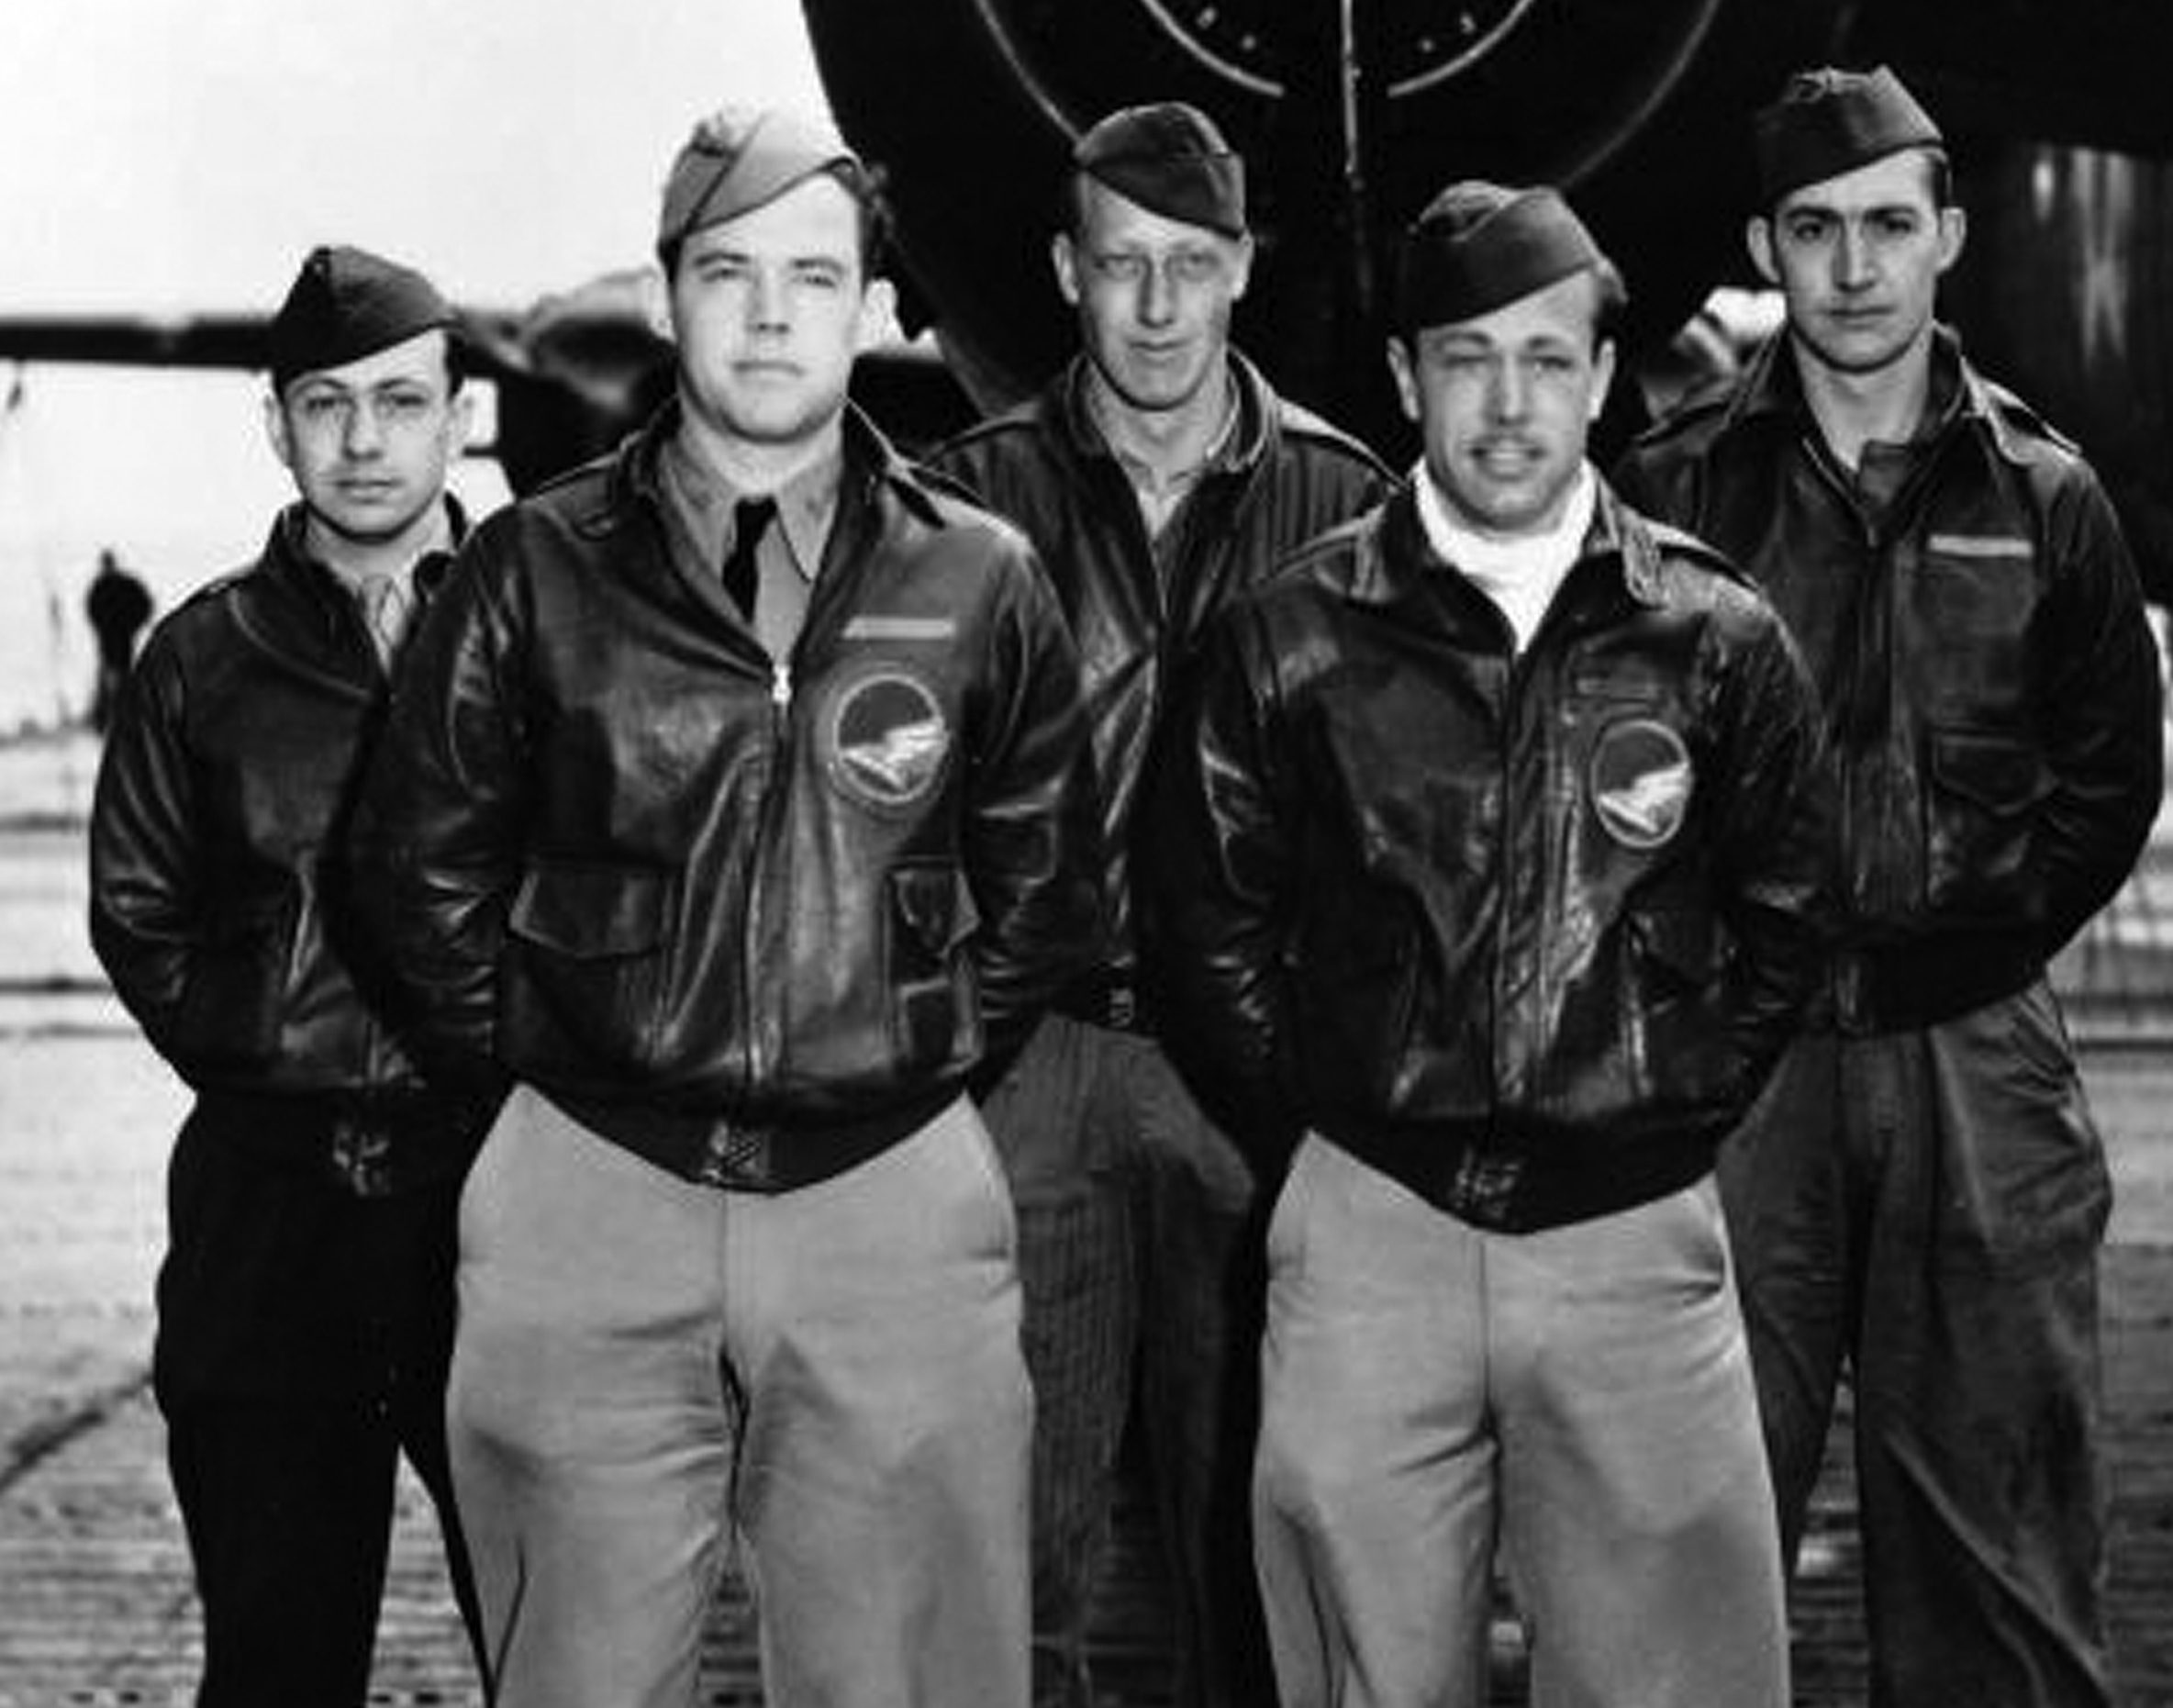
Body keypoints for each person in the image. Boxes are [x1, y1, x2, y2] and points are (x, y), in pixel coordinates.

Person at [348, 106, 1098, 1708]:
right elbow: (413, 872)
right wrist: (565, 1064)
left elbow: (1044, 885)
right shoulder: (529, 573)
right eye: (730, 272)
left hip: (887, 1188)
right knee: (577, 1679)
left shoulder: (983, 579)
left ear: (873, 307)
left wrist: (903, 1047)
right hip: (588, 1198)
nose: (771, 314)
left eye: (814, 277)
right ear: (668, 288)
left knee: (918, 1679)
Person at [1145, 180, 1832, 1708]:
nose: (1506, 404)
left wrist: (1662, 1095)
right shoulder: (1288, 637)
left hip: (1633, 1235)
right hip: (1370, 1230)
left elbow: (1788, 915)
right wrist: (1345, 1102)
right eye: (1465, 358)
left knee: (1679, 1682)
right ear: (1404, 379)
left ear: (1601, 378)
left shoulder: (1713, 640)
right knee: (1362, 1675)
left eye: (1543, 360)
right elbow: (1207, 933)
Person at [1613, 65, 2165, 1707]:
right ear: (1760, 250)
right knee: (1681, 1535)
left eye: (1883, 228)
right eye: (1812, 232)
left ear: (1945, 238)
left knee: (1998, 1545)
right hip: (1740, 1077)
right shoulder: (1674, 492)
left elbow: (2103, 785)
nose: (1851, 269)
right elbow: (1615, 778)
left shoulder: (2044, 499)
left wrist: (1961, 944)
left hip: (1973, 1064)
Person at [923, 100, 1388, 1708]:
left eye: (1191, 265)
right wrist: (961, 1042)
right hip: (1032, 1065)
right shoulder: (959, 505)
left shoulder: (1344, 505)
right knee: (1005, 1537)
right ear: (1065, 271)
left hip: (1245, 1083)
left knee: (1255, 1532)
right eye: (1121, 265)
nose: (1157, 306)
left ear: (1242, 269)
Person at [87, 244, 489, 1706]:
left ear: (463, 416)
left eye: (400, 401)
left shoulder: (549, 633)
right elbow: (139, 910)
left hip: (496, 1204)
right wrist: (266, 1037)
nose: (365, 439)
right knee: (275, 1657)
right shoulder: (201, 658)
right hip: (271, 1213)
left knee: (572, 1647)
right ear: (277, 424)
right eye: (327, 404)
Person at [84, 547, 155, 731]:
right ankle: (111, 717)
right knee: (115, 675)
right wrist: (136, 625)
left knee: (116, 675)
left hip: (119, 638)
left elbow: (145, 605)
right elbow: (146, 604)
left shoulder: (106, 586)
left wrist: (134, 625)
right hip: (115, 638)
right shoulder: (116, 584)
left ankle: (114, 717)